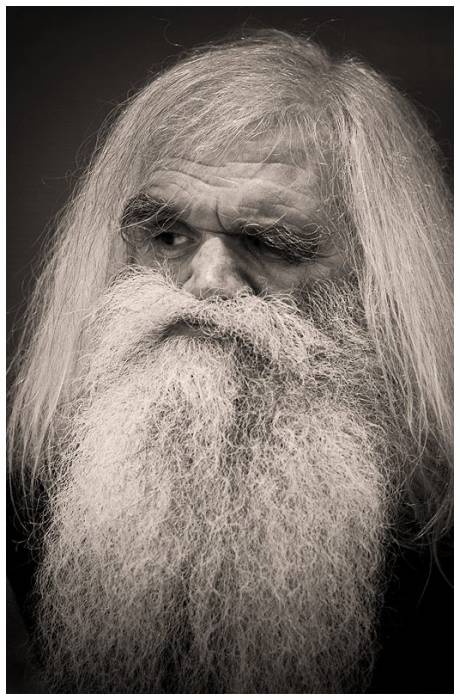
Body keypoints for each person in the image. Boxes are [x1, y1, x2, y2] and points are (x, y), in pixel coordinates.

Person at [7, 30, 453, 693]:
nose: (207, 283)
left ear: (380, 280)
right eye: (167, 235)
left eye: (270, 243)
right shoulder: (35, 492)